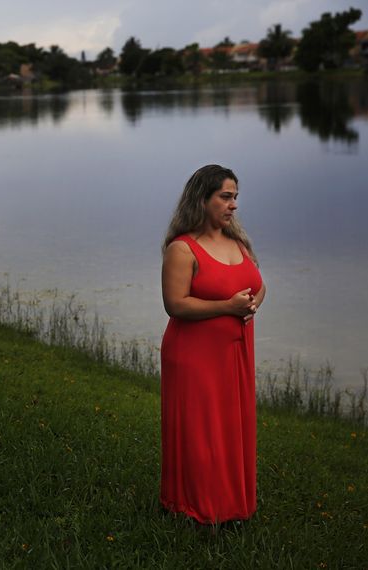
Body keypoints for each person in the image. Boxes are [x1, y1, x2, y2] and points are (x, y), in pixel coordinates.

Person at [159, 164, 266, 524]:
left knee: (232, 429)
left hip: (235, 354)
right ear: (202, 200)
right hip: (194, 356)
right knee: (202, 433)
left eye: (235, 197)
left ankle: (233, 506)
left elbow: (259, 284)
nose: (233, 205)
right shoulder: (183, 249)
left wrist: (253, 305)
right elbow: (175, 304)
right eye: (225, 197)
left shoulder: (239, 242)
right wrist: (229, 307)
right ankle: (195, 508)